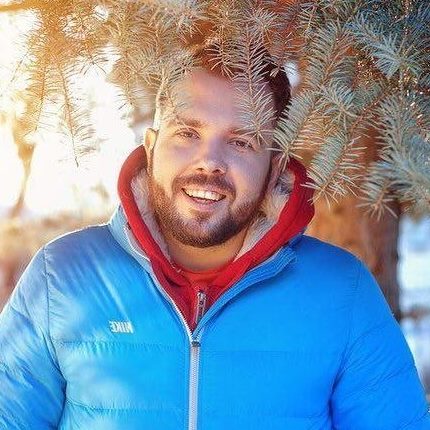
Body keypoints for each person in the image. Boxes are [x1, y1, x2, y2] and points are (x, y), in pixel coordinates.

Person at [0, 44, 429, 430]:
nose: (209, 161)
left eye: (241, 142)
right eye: (187, 133)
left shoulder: (342, 292)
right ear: (150, 146)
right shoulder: (61, 278)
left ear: (276, 167)